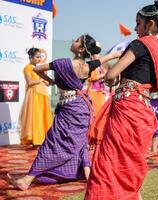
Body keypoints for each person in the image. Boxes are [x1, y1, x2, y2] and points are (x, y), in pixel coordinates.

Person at [85, 0, 158, 199]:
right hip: (144, 110)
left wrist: (113, 80)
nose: (134, 28)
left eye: (138, 23)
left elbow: (111, 74)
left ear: (149, 25)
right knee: (131, 161)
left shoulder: (140, 44)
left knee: (108, 162)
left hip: (127, 107)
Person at [7, 34, 121, 191]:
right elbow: (109, 57)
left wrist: (51, 81)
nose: (72, 42)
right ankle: (89, 177)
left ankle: (27, 180)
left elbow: (37, 68)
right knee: (81, 142)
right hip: (83, 108)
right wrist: (117, 55)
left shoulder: (62, 63)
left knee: (52, 142)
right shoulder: (89, 65)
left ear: (80, 49)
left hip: (70, 108)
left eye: (76, 40)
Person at [20, 48, 53, 146]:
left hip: (42, 94)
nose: (39, 59)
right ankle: (35, 139)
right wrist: (41, 80)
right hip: (34, 94)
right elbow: (30, 82)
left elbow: (47, 83)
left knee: (43, 116)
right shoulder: (28, 68)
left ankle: (43, 138)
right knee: (35, 116)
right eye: (37, 57)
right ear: (30, 57)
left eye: (40, 57)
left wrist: (50, 81)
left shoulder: (40, 68)